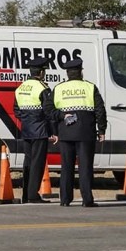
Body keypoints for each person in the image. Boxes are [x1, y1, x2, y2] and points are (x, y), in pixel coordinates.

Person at [52, 58, 106, 207]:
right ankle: (87, 200)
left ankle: (65, 200)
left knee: (66, 167)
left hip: (65, 133)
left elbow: (48, 109)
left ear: (67, 73)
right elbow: (100, 110)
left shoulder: (59, 88)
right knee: (85, 167)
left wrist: (60, 117)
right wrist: (101, 129)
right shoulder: (90, 87)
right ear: (81, 72)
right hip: (85, 133)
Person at [13, 56, 58, 203]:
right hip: (40, 131)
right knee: (37, 164)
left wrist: (28, 120)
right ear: (41, 72)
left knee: (28, 162)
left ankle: (26, 195)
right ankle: (33, 195)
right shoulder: (43, 88)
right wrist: (53, 132)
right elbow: (48, 112)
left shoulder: (21, 87)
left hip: (26, 130)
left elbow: (16, 111)